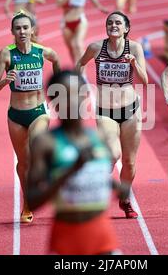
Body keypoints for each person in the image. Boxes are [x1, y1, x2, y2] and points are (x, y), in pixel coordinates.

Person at [27, 70, 128, 255]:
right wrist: (71, 169)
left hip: (102, 237)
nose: (70, 101)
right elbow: (32, 200)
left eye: (76, 94)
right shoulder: (45, 143)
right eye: (62, 95)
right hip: (65, 239)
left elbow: (90, 179)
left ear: (85, 96)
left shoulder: (99, 137)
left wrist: (115, 186)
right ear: (52, 100)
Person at [75, 11, 148, 218]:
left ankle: (125, 200)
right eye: (110, 22)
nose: (113, 25)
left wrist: (134, 63)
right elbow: (80, 64)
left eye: (118, 23)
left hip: (130, 110)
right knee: (114, 154)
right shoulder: (96, 47)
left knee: (130, 162)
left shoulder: (134, 48)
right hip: (105, 111)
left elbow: (143, 80)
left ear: (126, 28)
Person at [0, 11, 60, 223]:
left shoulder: (42, 51)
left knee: (36, 148)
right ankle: (27, 203)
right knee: (23, 162)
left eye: (25, 28)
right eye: (18, 28)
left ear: (32, 30)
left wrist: (56, 87)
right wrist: (5, 81)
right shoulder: (6, 54)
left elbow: (56, 59)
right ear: (12, 31)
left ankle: (48, 174)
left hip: (38, 111)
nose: (22, 31)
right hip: (16, 115)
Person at [57, 0, 109, 64]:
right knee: (71, 49)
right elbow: (59, 4)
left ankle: (83, 75)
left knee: (78, 45)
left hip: (80, 19)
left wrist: (100, 7)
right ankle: (77, 69)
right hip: (66, 22)